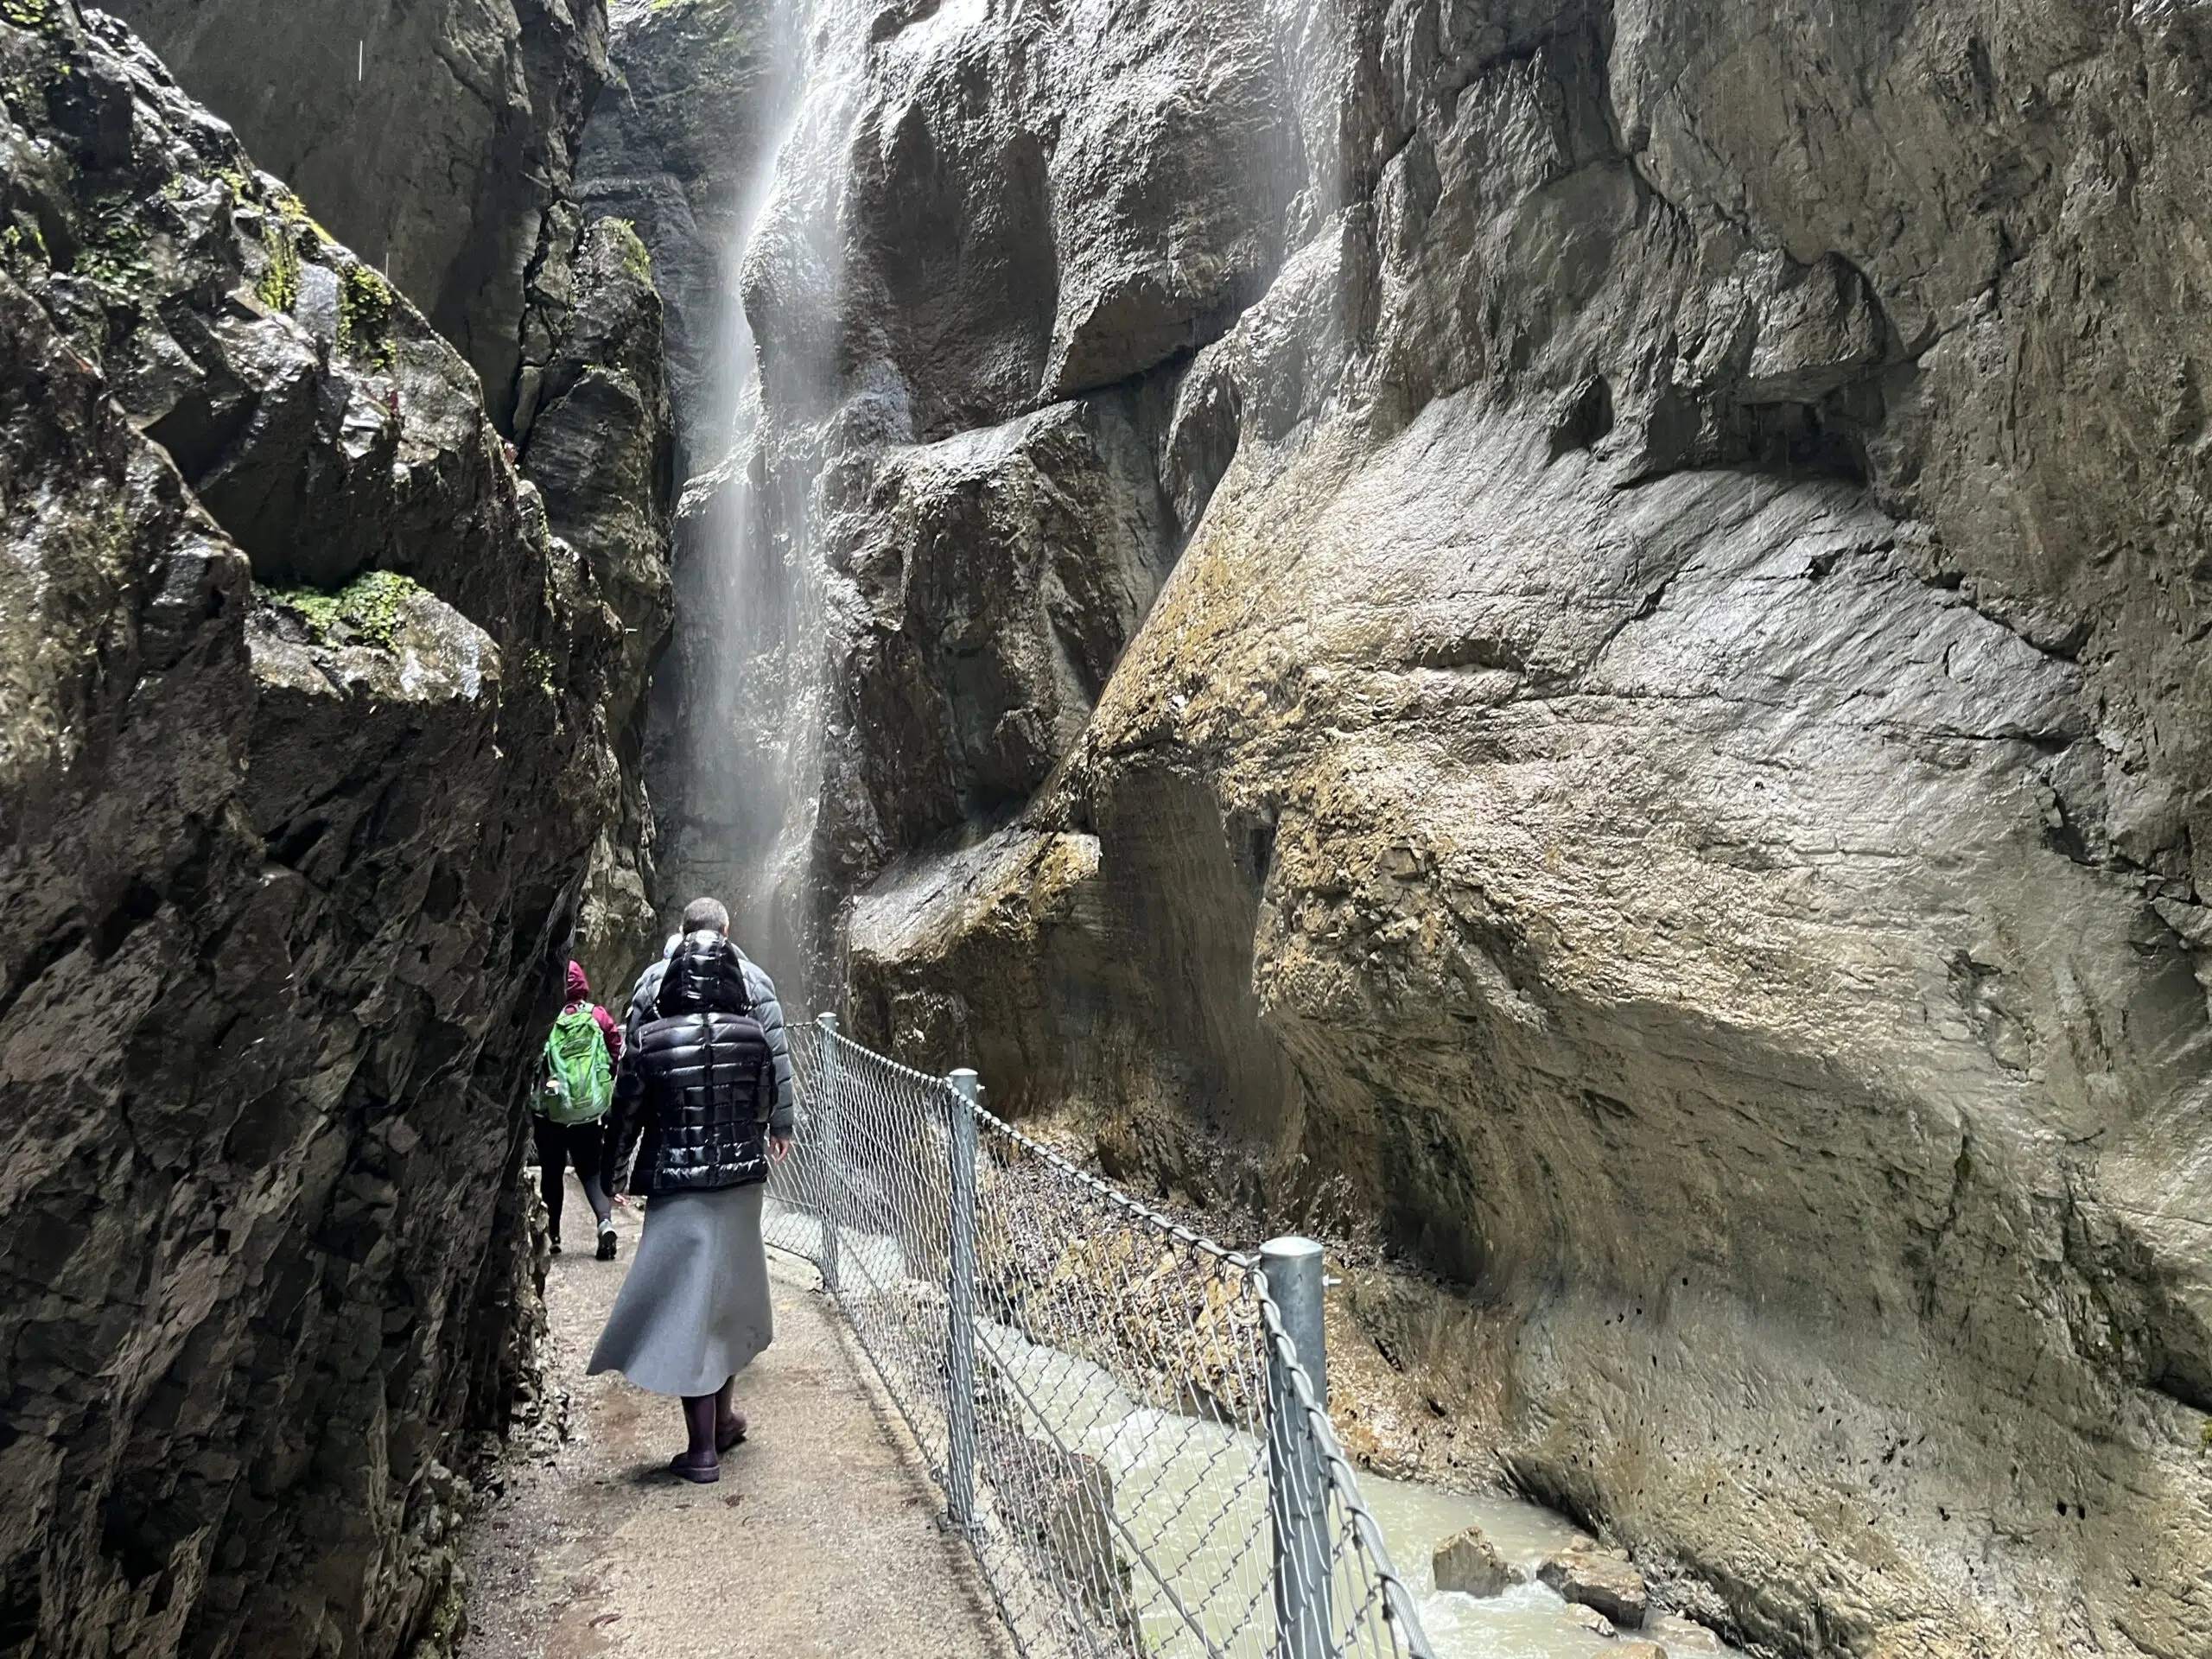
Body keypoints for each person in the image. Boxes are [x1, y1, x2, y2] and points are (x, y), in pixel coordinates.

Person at [588, 898, 794, 1483]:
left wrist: (614, 1176)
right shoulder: (753, 1035)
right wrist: (770, 1130)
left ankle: (702, 1448)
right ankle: (723, 1424)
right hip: (740, 1184)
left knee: (688, 1312)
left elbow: (626, 1113)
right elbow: (759, 1103)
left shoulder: (650, 1039)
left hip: (679, 1187)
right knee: (724, 1305)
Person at [537, 960, 622, 1261]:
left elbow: (538, 1061)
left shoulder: (547, 1019)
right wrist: (599, 1083)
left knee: (552, 1172)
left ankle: (554, 1235)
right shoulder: (596, 1015)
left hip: (554, 1109)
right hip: (589, 1111)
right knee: (591, 1171)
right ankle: (605, 1223)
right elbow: (615, 1046)